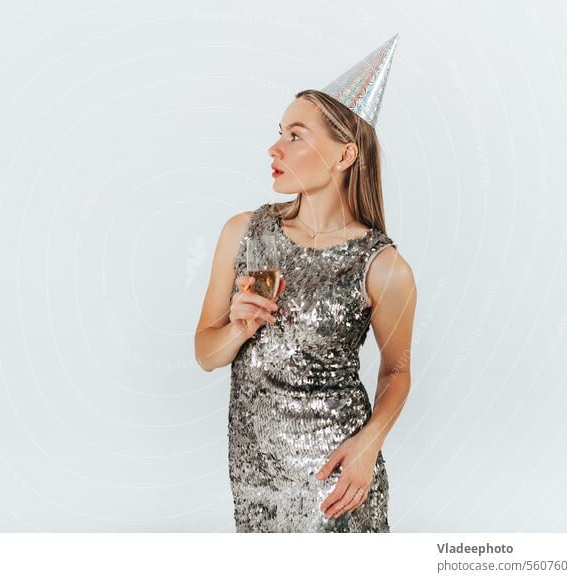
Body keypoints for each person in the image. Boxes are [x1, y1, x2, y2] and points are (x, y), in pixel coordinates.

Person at [194, 35, 417, 532]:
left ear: (344, 156)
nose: (275, 147)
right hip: (256, 480)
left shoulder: (382, 266)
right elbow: (206, 354)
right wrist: (238, 328)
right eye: (279, 132)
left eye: (295, 135)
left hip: (338, 475)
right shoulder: (243, 233)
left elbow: (396, 371)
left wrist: (368, 446)